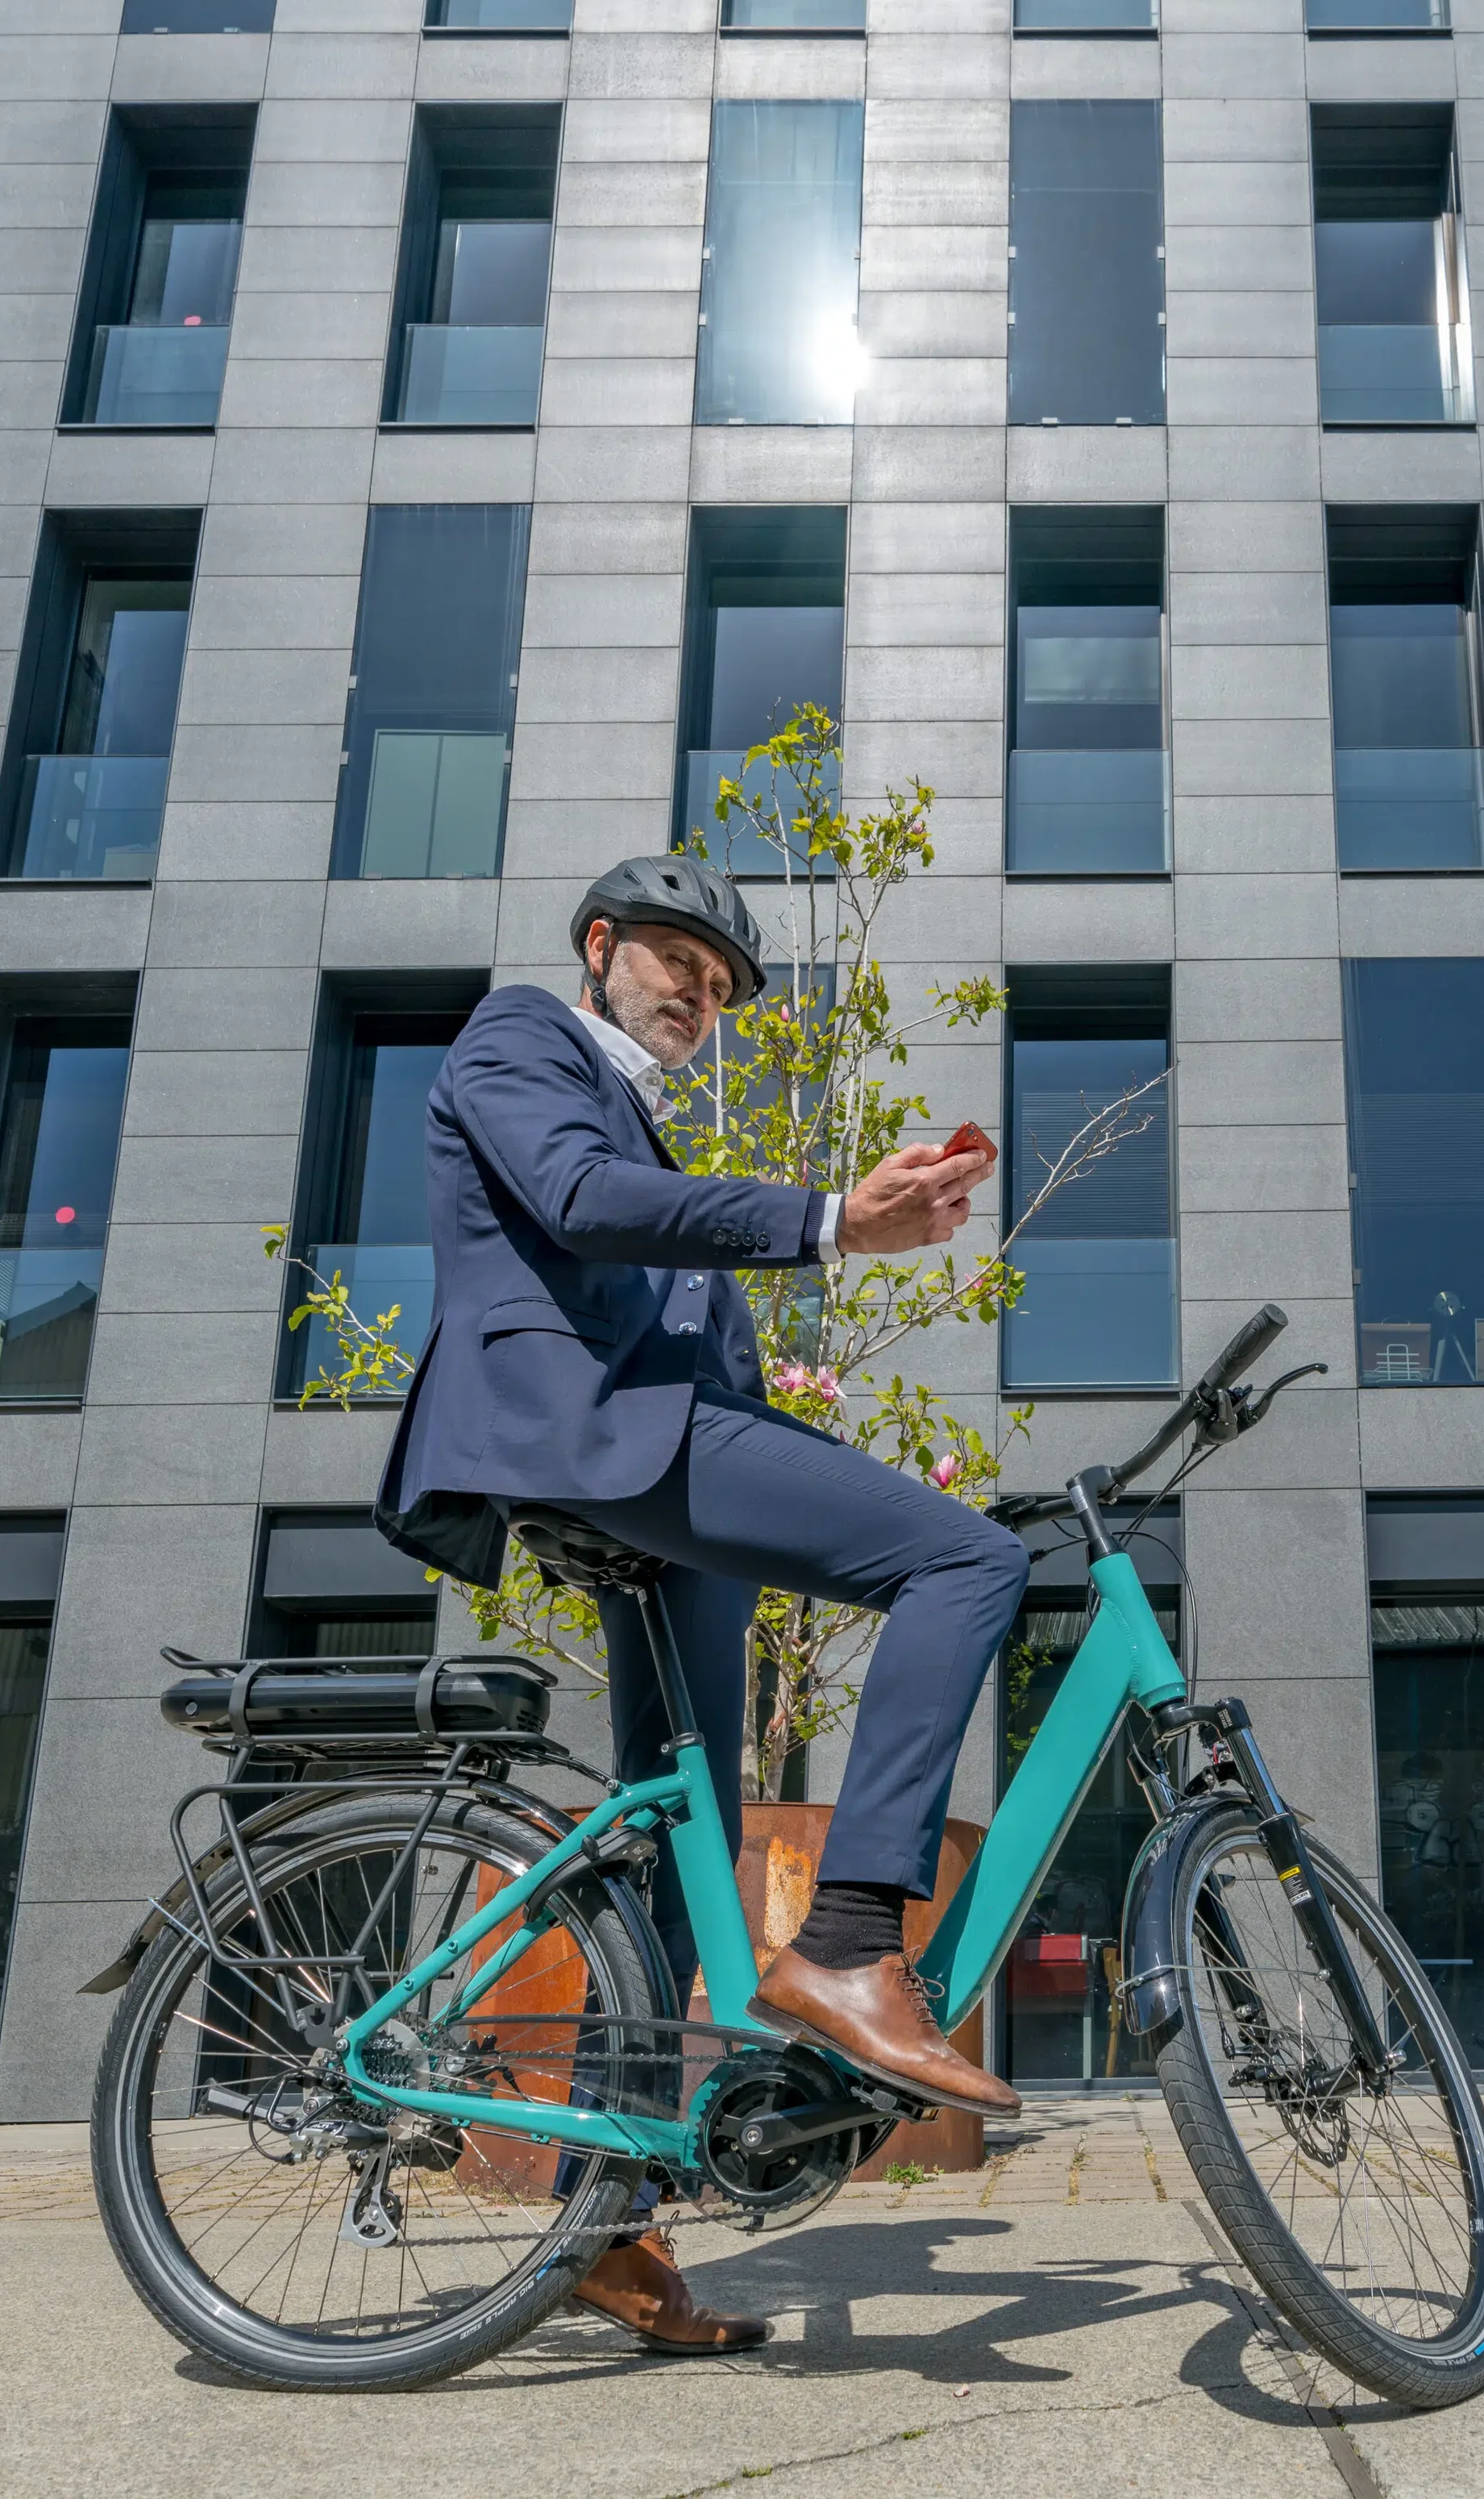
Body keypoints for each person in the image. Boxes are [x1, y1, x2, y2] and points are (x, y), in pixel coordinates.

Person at [376, 852, 1030, 2351]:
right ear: (603, 946)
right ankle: (855, 1943)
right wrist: (826, 1223)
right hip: (592, 1433)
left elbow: (687, 1312)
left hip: (659, 1466)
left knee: (680, 1847)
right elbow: (581, 1201)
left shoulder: (647, 1114)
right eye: (680, 959)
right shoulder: (521, 1035)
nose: (702, 993)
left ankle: (607, 2227)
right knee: (969, 1560)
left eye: (723, 984)